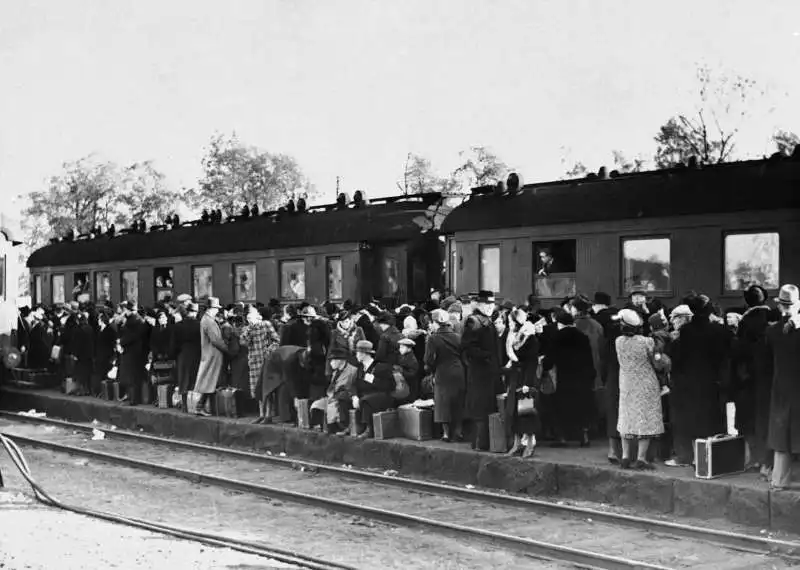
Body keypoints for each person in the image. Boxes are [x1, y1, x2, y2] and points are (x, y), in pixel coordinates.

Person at [615, 309, 664, 470]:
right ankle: (641, 458)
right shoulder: (647, 342)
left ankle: (625, 456)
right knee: (645, 418)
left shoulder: (618, 341)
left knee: (626, 417)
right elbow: (656, 361)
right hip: (646, 383)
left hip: (626, 383)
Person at [765, 284, 800, 490]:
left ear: (780, 306)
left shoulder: (772, 331)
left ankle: (779, 479)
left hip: (780, 388)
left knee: (781, 435)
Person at [461, 290, 501, 451]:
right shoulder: (474, 321)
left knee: (487, 406)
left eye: (492, 304)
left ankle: (483, 442)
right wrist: (486, 357)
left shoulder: (486, 321)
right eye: (487, 304)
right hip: (479, 372)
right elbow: (467, 347)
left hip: (488, 371)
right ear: (479, 304)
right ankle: (479, 442)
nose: (490, 307)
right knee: (480, 407)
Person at [424, 309, 465, 442]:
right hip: (459, 371)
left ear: (436, 323)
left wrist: (431, 369)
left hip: (442, 371)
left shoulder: (433, 338)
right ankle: (458, 431)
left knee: (443, 402)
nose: (430, 325)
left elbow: (428, 359)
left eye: (431, 322)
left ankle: (446, 433)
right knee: (458, 401)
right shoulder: (458, 337)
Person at [504, 307, 540, 458]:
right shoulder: (513, 336)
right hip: (515, 377)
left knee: (526, 412)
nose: (509, 324)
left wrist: (527, 383)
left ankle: (530, 444)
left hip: (526, 379)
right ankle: (517, 443)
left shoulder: (530, 338)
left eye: (511, 321)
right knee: (512, 412)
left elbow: (532, 362)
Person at [351, 340, 395, 439]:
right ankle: (349, 426)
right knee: (350, 398)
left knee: (366, 400)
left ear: (364, 354)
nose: (356, 355)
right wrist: (354, 396)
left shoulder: (381, 367)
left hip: (382, 395)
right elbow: (354, 384)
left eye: (357, 353)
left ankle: (369, 429)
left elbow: (390, 386)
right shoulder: (360, 368)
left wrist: (373, 379)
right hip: (365, 395)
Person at [193, 297, 228, 416]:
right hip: (213, 354)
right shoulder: (210, 321)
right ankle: (200, 407)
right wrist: (227, 349)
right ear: (211, 308)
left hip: (209, 353)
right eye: (216, 308)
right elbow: (215, 340)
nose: (217, 311)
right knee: (210, 381)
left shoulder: (206, 319)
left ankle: (203, 407)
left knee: (209, 381)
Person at [313, 347, 358, 434]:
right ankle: (320, 425)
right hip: (332, 397)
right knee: (316, 405)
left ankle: (340, 427)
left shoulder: (353, 371)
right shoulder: (335, 373)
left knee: (334, 406)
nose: (330, 363)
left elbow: (352, 387)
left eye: (332, 360)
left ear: (340, 360)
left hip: (344, 397)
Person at [170, 303, 202, 411]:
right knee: (194, 379)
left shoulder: (178, 326)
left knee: (183, 379)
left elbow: (174, 344)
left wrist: (175, 356)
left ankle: (184, 405)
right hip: (197, 354)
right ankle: (194, 404)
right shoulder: (199, 325)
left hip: (183, 354)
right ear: (195, 313)